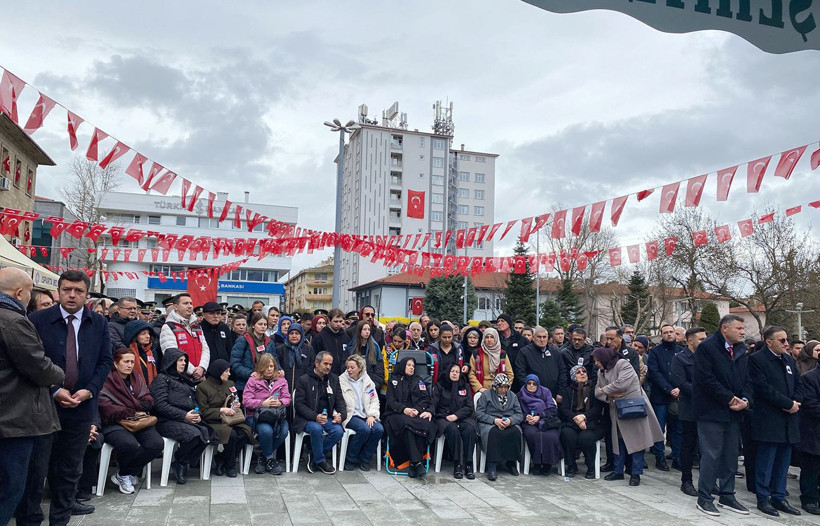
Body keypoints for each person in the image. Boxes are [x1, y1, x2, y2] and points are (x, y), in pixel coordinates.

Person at [18, 270, 112, 525]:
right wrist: (55, 390)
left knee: (70, 469)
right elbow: (29, 362)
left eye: (78, 291)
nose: (72, 295)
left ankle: (60, 519)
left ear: (87, 294)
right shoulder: (37, 320)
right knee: (37, 469)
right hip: (43, 406)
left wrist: (90, 390)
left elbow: (105, 361)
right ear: (58, 291)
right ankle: (30, 519)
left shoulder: (99, 323)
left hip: (82, 406)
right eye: (67, 289)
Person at [0, 268, 64, 525]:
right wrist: (59, 373)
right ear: (20, 292)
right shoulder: (13, 320)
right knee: (10, 486)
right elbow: (38, 366)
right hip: (14, 417)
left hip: (9, 414)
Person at [692, 314, 751, 517]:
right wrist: (729, 399)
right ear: (725, 328)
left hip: (734, 411)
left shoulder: (741, 350)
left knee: (730, 455)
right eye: (739, 328)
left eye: (743, 329)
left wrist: (745, 399)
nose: (743, 332)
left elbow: (747, 378)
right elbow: (705, 379)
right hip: (711, 410)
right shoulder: (707, 348)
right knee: (711, 454)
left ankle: (727, 494)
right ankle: (705, 497)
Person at [748, 326, 803, 517]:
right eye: (782, 340)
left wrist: (796, 402)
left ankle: (779, 496)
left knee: (783, 461)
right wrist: (787, 403)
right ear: (769, 341)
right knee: (766, 460)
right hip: (769, 419)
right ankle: (763, 497)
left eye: (787, 340)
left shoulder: (788, 360)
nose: (786, 344)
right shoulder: (757, 360)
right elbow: (762, 388)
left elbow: (798, 383)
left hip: (789, 419)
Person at [594, 346, 664, 487]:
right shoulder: (601, 372)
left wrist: (605, 390)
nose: (596, 363)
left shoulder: (622, 363)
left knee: (637, 442)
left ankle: (635, 473)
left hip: (632, 407)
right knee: (618, 441)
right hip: (616, 409)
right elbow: (597, 392)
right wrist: (611, 394)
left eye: (597, 360)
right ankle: (618, 470)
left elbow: (623, 383)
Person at [98, 348, 163, 494]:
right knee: (129, 444)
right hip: (113, 422)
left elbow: (148, 400)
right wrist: (132, 408)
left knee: (156, 444)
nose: (130, 365)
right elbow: (105, 406)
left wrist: (130, 408)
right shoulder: (106, 380)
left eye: (132, 362)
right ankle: (126, 475)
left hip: (138, 420)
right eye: (126, 361)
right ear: (116, 363)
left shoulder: (137, 377)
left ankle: (124, 473)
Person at [150, 348, 218, 484]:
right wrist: (184, 415)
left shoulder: (184, 380)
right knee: (194, 435)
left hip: (185, 418)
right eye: (180, 361)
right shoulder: (161, 379)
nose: (183, 363)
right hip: (165, 421)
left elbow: (194, 403)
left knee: (208, 433)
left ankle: (181, 462)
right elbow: (160, 405)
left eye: (184, 361)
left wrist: (197, 414)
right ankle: (181, 462)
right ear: (171, 362)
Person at [196, 359, 254, 478]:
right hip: (212, 421)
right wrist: (220, 410)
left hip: (230, 419)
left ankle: (222, 458)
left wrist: (236, 405)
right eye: (226, 371)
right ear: (218, 372)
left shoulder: (230, 384)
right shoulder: (203, 387)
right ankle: (230, 465)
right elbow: (203, 412)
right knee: (231, 435)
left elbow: (235, 399)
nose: (229, 374)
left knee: (245, 432)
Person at [292, 351, 346, 474]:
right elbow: (299, 405)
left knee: (338, 431)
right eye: (325, 363)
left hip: (327, 417)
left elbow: (340, 401)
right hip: (307, 418)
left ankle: (315, 456)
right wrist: (314, 416)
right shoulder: (304, 380)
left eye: (330, 364)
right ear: (317, 363)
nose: (328, 367)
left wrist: (341, 416)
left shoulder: (333, 379)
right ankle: (320, 460)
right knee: (316, 429)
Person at [383, 357, 435, 478]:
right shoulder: (393, 380)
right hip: (397, 413)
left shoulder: (419, 381)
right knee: (406, 424)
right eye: (409, 365)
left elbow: (425, 399)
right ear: (402, 366)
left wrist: (418, 409)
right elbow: (390, 401)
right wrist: (404, 409)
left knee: (424, 424)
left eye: (413, 366)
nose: (412, 367)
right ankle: (417, 462)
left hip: (415, 413)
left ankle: (413, 463)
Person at [670, 326, 707, 497]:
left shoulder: (708, 357)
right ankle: (686, 480)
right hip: (690, 407)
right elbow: (681, 382)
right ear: (690, 340)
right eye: (701, 339)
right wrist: (704, 393)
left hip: (708, 409)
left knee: (707, 448)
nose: (704, 341)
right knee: (689, 446)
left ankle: (708, 481)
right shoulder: (680, 358)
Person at [243, 353, 290, 475]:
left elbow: (287, 399)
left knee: (284, 431)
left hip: (276, 416)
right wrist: (262, 403)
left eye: (272, 366)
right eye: (266, 366)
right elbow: (246, 401)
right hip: (256, 416)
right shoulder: (253, 380)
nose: (269, 369)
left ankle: (263, 458)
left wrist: (280, 402)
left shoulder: (281, 380)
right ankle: (270, 459)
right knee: (266, 431)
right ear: (260, 367)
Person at [647, 323, 685, 472]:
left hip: (678, 396)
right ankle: (659, 457)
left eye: (671, 332)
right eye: (665, 332)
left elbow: (685, 373)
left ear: (675, 334)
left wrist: (679, 389)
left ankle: (677, 457)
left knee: (678, 428)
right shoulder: (655, 352)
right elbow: (654, 373)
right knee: (659, 428)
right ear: (661, 335)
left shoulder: (681, 351)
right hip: (660, 396)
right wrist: (669, 389)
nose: (669, 334)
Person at [558, 365, 606, 479]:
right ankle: (571, 465)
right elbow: (564, 409)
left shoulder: (594, 389)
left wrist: (584, 417)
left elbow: (597, 409)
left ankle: (591, 467)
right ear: (573, 376)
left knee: (586, 438)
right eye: (578, 372)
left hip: (592, 423)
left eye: (584, 371)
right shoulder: (568, 390)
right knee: (568, 435)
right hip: (572, 422)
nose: (582, 373)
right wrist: (578, 419)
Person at [431, 363, 477, 479]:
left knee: (470, 429)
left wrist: (456, 416)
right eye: (452, 371)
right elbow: (433, 403)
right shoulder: (440, 385)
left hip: (461, 417)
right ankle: (457, 464)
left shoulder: (464, 386)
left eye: (457, 371)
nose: (455, 373)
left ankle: (468, 465)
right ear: (448, 372)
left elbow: (469, 407)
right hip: (444, 417)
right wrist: (429, 412)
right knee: (452, 430)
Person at [339, 354, 384, 471]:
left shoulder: (367, 381)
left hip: (366, 414)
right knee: (364, 429)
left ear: (360, 368)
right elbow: (338, 401)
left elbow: (374, 400)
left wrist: (372, 415)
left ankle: (365, 458)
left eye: (352, 367)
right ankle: (350, 458)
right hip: (350, 414)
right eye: (348, 367)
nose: (349, 370)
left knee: (379, 429)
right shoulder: (341, 380)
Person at [475, 373, 523, 481]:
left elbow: (519, 414)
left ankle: (511, 462)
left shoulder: (513, 396)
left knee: (515, 432)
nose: (503, 390)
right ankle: (492, 465)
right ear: (495, 387)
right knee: (493, 433)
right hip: (490, 423)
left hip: (508, 422)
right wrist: (494, 420)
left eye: (506, 387)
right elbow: (479, 413)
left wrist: (510, 421)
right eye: (501, 387)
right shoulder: (486, 395)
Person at [517, 374, 563, 476]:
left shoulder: (545, 392)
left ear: (538, 384)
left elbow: (552, 409)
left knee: (551, 436)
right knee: (532, 435)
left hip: (546, 420)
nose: (531, 386)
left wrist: (539, 416)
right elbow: (517, 411)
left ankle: (548, 464)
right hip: (528, 423)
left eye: (534, 384)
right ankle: (537, 463)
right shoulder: (520, 395)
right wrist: (526, 417)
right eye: (529, 383)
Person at [160, 293, 210, 382]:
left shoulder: (197, 327)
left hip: (200, 377)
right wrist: (193, 371)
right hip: (180, 378)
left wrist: (202, 367)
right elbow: (172, 354)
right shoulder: (169, 327)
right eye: (185, 303)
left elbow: (205, 349)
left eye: (191, 303)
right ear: (176, 307)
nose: (190, 306)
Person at [515, 326, 567, 399]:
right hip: (532, 396)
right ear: (533, 338)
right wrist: (528, 391)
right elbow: (520, 373)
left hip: (553, 395)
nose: (542, 340)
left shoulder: (556, 353)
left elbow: (563, 372)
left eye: (544, 337)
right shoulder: (524, 352)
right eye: (539, 337)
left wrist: (561, 392)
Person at [231, 313, 278, 393]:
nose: (263, 326)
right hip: (245, 384)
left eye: (265, 324)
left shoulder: (270, 342)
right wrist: (250, 373)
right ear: (253, 325)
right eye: (260, 324)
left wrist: (279, 370)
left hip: (265, 385)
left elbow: (275, 360)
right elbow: (235, 363)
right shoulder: (243, 340)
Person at [797, 351, 820, 515]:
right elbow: (811, 405)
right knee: (812, 467)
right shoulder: (809, 378)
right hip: (814, 432)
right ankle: (809, 499)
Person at [469, 328, 514, 394]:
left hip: (499, 391)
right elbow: (471, 373)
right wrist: (479, 388)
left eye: (492, 337)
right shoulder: (477, 353)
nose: (489, 340)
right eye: (487, 337)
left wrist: (503, 388)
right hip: (481, 391)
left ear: (496, 338)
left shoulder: (502, 354)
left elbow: (510, 374)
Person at [349, 320, 386, 394]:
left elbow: (379, 367)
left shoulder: (375, 347)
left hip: (371, 382)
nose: (367, 332)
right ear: (359, 331)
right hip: (354, 383)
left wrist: (375, 384)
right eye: (364, 329)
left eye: (369, 330)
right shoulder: (351, 347)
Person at [123, 319, 162, 386]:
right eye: (143, 334)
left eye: (148, 333)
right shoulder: (127, 354)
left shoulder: (153, 352)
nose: (148, 336)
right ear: (134, 336)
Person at [312, 308, 349, 376]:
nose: (338, 324)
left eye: (340, 321)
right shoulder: (320, 337)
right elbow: (314, 356)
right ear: (329, 321)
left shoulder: (345, 337)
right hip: (325, 373)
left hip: (343, 374)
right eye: (336, 321)